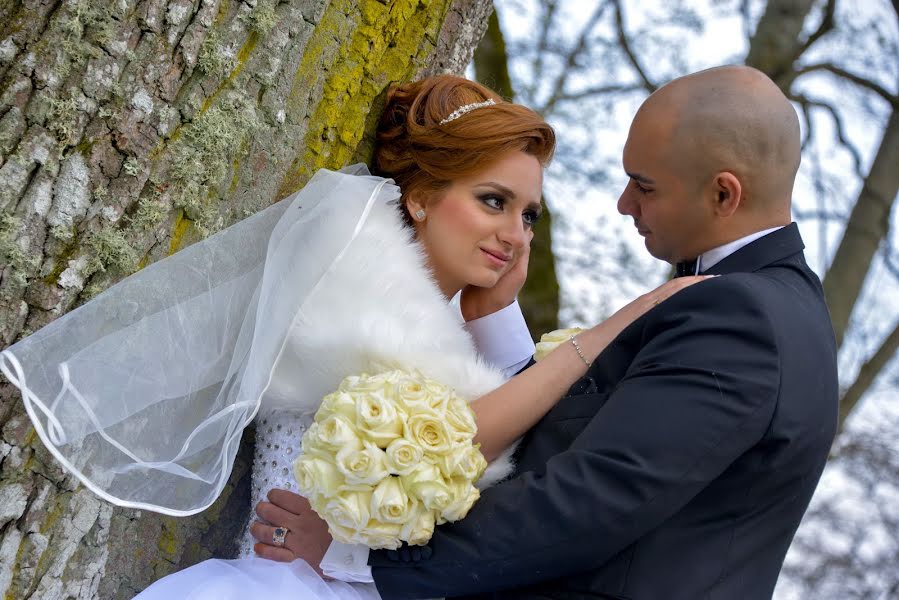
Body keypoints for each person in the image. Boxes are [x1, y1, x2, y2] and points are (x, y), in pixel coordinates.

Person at [0, 75, 704, 599]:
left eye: (528, 216)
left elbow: (531, 440)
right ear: (422, 196)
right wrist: (617, 325)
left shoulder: (443, 329)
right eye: (493, 201)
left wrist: (495, 312)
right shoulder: (350, 287)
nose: (513, 234)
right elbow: (458, 437)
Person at [264, 65, 840, 600]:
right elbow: (560, 446)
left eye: (645, 186)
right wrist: (494, 317)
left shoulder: (742, 316)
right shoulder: (770, 308)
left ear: (723, 194)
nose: (623, 204)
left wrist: (362, 558)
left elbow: (593, 497)